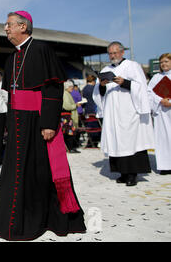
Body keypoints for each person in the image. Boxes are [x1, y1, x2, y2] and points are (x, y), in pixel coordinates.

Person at [0, 11, 85, 241]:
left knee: (42, 171)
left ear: (23, 27)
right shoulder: (12, 57)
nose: (5, 28)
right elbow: (11, 94)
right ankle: (15, 223)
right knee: (17, 171)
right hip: (17, 122)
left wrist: (49, 123)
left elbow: (52, 88)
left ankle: (46, 218)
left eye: (9, 25)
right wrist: (9, 123)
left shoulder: (41, 49)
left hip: (37, 121)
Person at [93, 41, 154, 186]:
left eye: (115, 52)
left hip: (129, 111)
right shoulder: (105, 68)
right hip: (112, 113)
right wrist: (101, 86)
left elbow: (141, 87)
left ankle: (132, 174)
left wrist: (125, 82)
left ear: (122, 52)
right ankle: (122, 173)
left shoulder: (133, 66)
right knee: (116, 141)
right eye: (110, 53)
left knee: (131, 142)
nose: (113, 56)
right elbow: (98, 94)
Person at [147, 53, 171, 175]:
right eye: (161, 62)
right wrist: (160, 100)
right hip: (161, 112)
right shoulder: (156, 77)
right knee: (163, 138)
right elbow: (149, 93)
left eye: (166, 61)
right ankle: (165, 165)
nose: (164, 64)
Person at [62, 80, 81, 153]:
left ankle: (70, 147)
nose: (72, 88)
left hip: (67, 116)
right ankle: (70, 147)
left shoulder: (67, 94)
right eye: (71, 87)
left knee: (69, 132)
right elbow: (67, 106)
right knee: (69, 132)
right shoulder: (65, 94)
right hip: (66, 117)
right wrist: (75, 105)